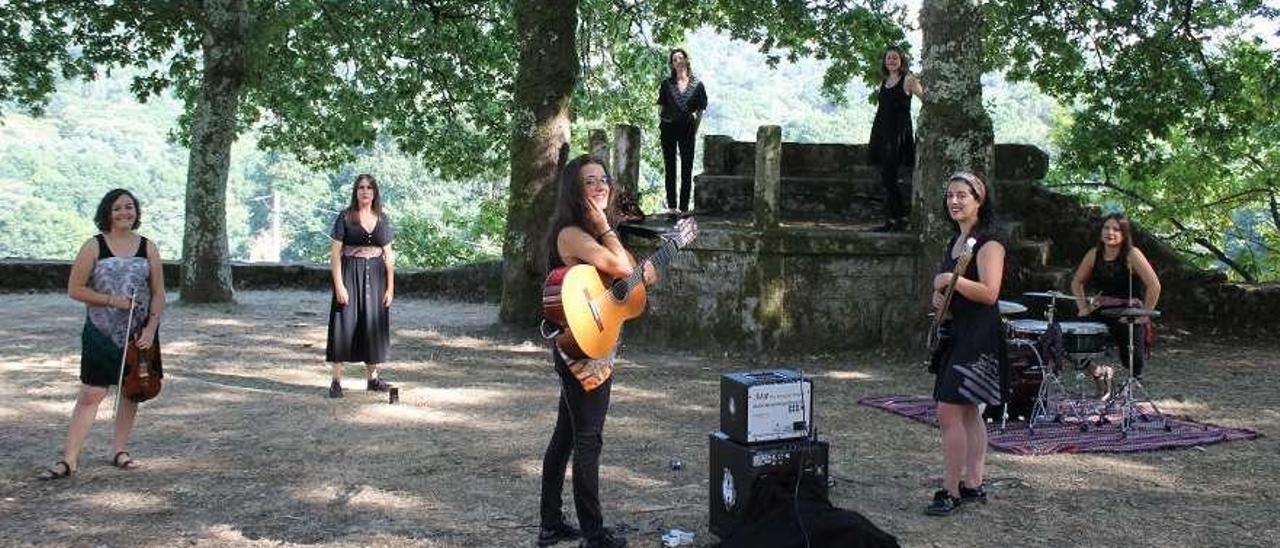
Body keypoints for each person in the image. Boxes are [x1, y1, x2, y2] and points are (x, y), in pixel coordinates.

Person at [537, 155, 657, 548]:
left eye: (604, 179)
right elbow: (617, 264)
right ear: (575, 190)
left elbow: (626, 277)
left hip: (595, 345)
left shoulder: (591, 231)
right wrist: (609, 229)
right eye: (590, 182)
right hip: (580, 352)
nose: (601, 186)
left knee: (566, 436)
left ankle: (551, 523)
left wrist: (640, 275)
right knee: (589, 440)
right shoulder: (572, 233)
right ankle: (593, 533)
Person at [40, 189, 165, 479]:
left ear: (136, 212)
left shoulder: (148, 247)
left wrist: (150, 328)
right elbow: (75, 289)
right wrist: (113, 301)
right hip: (101, 331)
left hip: (139, 333)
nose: (125, 212)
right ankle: (69, 460)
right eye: (118, 208)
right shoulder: (94, 246)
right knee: (91, 393)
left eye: (130, 207)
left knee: (131, 391)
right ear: (107, 212)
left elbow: (159, 293)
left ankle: (120, 451)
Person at [927, 171, 1005, 516]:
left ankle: (951, 490)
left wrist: (950, 280)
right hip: (957, 331)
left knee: (948, 411)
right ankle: (974, 483)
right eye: (950, 196)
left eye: (962, 195)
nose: (955, 201)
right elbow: (951, 288)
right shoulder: (955, 243)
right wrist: (938, 295)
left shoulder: (990, 243)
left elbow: (990, 293)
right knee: (969, 410)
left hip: (979, 334)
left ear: (979, 200)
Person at [1070, 213, 1161, 391]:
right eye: (1106, 228)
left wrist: (1145, 315)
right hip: (1101, 309)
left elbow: (1154, 285)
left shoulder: (1132, 254)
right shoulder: (1093, 254)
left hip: (1128, 312)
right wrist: (1082, 307)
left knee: (1133, 358)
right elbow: (1077, 282)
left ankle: (1130, 389)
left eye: (1116, 229)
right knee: (1073, 340)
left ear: (1124, 234)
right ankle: (1098, 373)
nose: (1109, 232)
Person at [326, 174, 395, 398]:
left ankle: (373, 379)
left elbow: (389, 255)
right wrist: (339, 286)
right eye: (360, 188)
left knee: (372, 325)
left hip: (375, 277)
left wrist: (390, 288)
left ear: (374, 192)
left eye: (369, 188)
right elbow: (335, 254)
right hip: (348, 275)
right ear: (355, 192)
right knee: (343, 325)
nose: (365, 191)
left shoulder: (382, 218)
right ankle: (336, 381)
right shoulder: (345, 217)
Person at [868, 46, 925, 232]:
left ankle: (899, 219)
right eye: (888, 58)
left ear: (901, 60)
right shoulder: (885, 81)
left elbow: (925, 98)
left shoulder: (908, 79)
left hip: (898, 133)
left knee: (890, 177)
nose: (891, 61)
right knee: (886, 177)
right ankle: (892, 219)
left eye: (895, 58)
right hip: (882, 131)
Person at [656, 48, 708, 215]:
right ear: (672, 64)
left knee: (687, 167)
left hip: (687, 129)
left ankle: (684, 208)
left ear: (686, 60)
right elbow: (661, 107)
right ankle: (672, 207)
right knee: (669, 166)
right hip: (668, 127)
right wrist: (664, 120)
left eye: (680, 58)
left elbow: (700, 111)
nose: (677, 61)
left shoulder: (697, 85)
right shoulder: (666, 84)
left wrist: (694, 129)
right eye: (674, 59)